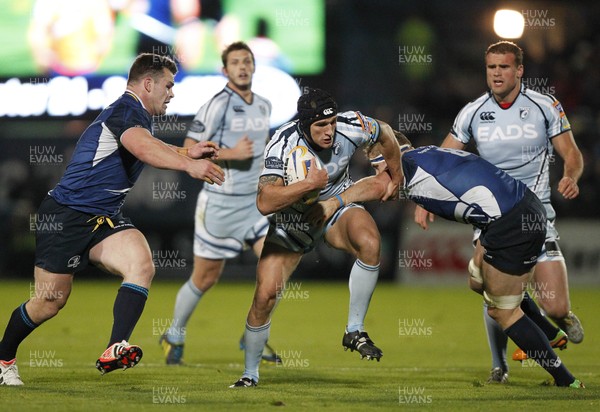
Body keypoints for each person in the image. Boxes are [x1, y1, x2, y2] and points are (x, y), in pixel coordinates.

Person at [0, 53, 225, 386]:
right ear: (148, 84)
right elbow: (141, 147)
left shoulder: (135, 114)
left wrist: (185, 152)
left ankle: (114, 347)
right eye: (168, 85)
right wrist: (189, 165)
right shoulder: (126, 110)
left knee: (142, 264)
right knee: (49, 302)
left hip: (103, 217)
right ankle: (3, 358)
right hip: (67, 215)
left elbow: (146, 142)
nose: (172, 93)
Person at [329, 131, 583, 388]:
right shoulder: (425, 155)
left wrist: (334, 202)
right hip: (515, 210)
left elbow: (377, 186)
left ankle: (566, 380)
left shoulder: (405, 166)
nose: (379, 173)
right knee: (477, 280)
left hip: (510, 223)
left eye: (378, 166)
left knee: (501, 310)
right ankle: (550, 334)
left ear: (389, 157)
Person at [414, 41, 584, 383]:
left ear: (519, 70)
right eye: (491, 67)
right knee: (486, 288)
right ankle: (500, 365)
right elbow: (442, 159)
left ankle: (558, 324)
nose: (496, 74)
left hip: (536, 217)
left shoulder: (544, 105)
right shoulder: (473, 111)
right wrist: (422, 198)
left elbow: (572, 153)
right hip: (492, 216)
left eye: (504, 67)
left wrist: (570, 176)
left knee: (554, 306)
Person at [229, 88, 402, 388]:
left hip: (335, 211)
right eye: (321, 126)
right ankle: (249, 375)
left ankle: (354, 330)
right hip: (292, 222)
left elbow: (385, 133)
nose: (329, 131)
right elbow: (265, 202)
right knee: (264, 296)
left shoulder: (351, 126)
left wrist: (396, 175)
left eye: (332, 122)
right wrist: (307, 185)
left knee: (370, 242)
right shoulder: (281, 143)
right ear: (304, 124)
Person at [159, 41, 280, 365]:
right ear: (225, 70)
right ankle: (174, 334)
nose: (242, 66)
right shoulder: (216, 105)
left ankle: (254, 335)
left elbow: (260, 147)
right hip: (220, 206)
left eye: (247, 61)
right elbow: (187, 148)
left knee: (276, 273)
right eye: (235, 62)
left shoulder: (265, 105)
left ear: (254, 66)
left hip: (255, 207)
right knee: (205, 279)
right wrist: (230, 154)